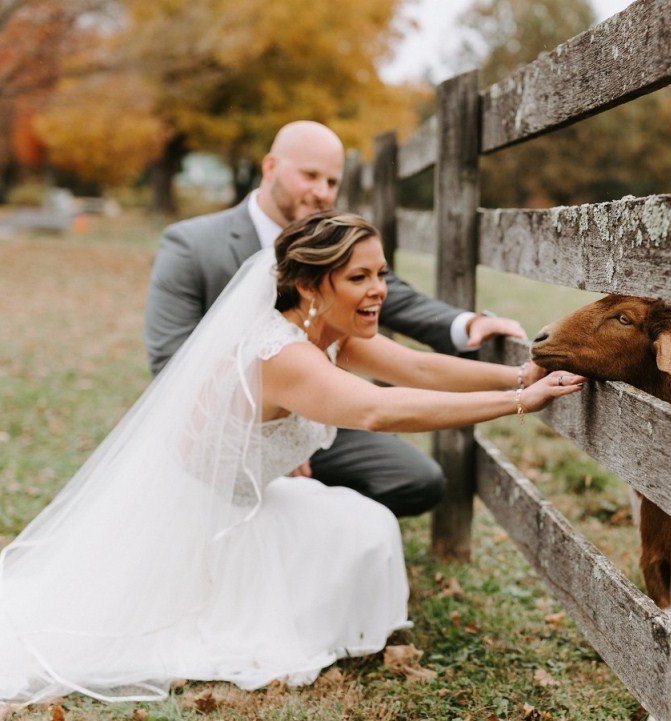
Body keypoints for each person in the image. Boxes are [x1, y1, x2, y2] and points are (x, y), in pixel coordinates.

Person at [0, 210, 585, 705]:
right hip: (200, 518)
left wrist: (517, 371)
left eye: (381, 273)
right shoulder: (284, 354)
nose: (378, 291)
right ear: (310, 285)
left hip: (250, 495)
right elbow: (381, 411)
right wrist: (518, 402)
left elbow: (421, 366)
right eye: (359, 278)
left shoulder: (328, 335)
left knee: (363, 525)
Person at [145, 120, 529, 517]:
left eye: (332, 181)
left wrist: (484, 341)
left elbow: (413, 353)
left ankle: (306, 510)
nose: (322, 192)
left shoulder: (337, 247)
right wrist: (256, 436)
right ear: (271, 167)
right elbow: (171, 362)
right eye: (310, 175)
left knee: (414, 482)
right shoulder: (191, 244)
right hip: (222, 434)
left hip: (318, 413)